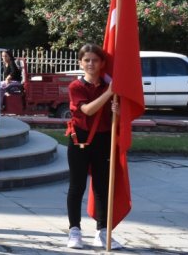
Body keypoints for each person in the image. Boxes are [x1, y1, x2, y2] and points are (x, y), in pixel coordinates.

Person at [64, 44, 122, 250]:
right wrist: (109, 93)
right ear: (80, 62)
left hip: (103, 138)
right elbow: (87, 110)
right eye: (86, 60)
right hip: (80, 139)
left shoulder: (109, 87)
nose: (91, 64)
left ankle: (102, 232)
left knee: (102, 186)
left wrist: (117, 109)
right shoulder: (76, 87)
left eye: (95, 60)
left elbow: (116, 116)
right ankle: (74, 231)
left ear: (102, 63)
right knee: (77, 186)